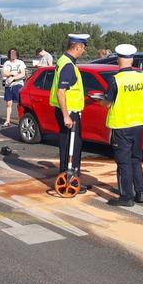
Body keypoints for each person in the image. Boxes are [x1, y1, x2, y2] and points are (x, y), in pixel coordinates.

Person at [98, 44, 143, 206]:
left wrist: (99, 101)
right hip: (139, 124)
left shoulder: (115, 80)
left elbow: (107, 103)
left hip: (121, 124)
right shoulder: (142, 77)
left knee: (123, 162)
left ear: (118, 60)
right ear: (132, 59)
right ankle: (140, 191)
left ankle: (126, 196)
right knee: (136, 158)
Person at [50, 34, 88, 194]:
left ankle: (68, 176)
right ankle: (69, 178)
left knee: (68, 145)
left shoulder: (64, 60)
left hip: (69, 110)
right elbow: (61, 92)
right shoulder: (68, 65)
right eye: (83, 48)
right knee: (71, 146)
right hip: (69, 112)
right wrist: (66, 115)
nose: (84, 51)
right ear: (77, 47)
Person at [2, 48, 27, 127]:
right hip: (8, 85)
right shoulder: (7, 63)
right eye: (11, 53)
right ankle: (7, 120)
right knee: (8, 103)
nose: (13, 55)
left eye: (14, 53)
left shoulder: (20, 63)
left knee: (20, 104)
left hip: (17, 84)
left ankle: (22, 120)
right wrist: (12, 74)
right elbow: (4, 73)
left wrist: (13, 78)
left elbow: (22, 74)